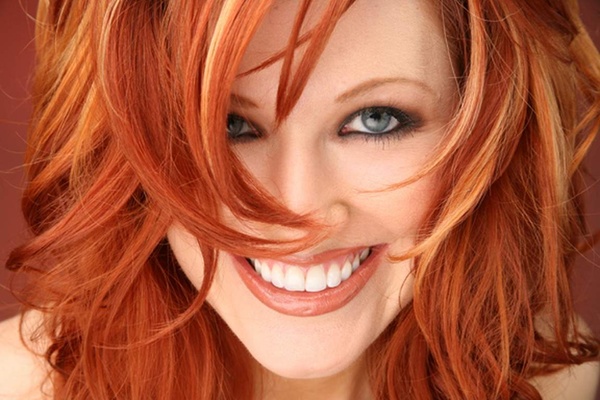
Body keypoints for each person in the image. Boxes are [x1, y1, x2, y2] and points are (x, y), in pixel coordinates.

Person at [1, 0, 599, 398]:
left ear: (485, 136)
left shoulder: (565, 381)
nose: (300, 214)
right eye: (230, 126)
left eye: (376, 119)